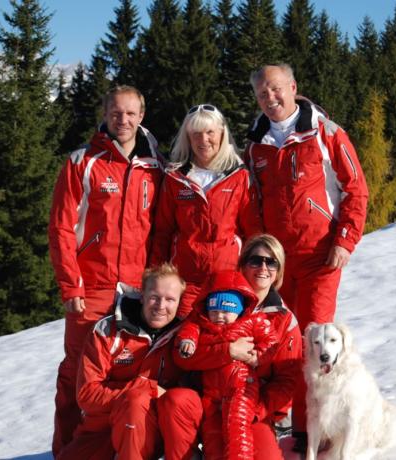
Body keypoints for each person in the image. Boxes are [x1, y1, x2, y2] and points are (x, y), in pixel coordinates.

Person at [244, 64, 369, 452]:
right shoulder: (256, 143)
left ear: (294, 88)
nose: (271, 98)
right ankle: (283, 420)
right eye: (263, 93)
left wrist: (345, 241)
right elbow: (253, 203)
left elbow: (356, 190)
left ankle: (306, 429)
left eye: (277, 89)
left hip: (319, 258)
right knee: (281, 342)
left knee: (313, 342)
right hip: (277, 266)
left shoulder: (326, 133)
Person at [48, 85, 165, 456]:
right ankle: (66, 449)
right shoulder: (83, 161)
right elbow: (61, 228)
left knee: (129, 372)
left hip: (136, 288)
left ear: (141, 115)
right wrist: (71, 286)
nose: (123, 120)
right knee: (76, 374)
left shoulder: (155, 165)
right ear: (105, 113)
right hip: (92, 287)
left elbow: (162, 227)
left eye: (130, 113)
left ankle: (116, 445)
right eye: (116, 113)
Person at [174, 233, 301, 459]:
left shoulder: (284, 320)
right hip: (207, 399)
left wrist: (256, 409)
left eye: (271, 262)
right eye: (256, 260)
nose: (263, 267)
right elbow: (182, 355)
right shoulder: (215, 302)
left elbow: (287, 380)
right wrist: (227, 352)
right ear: (242, 265)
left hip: (250, 404)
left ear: (279, 271)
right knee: (176, 404)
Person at [58, 263, 203, 460]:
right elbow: (87, 394)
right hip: (104, 429)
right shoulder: (108, 330)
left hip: (160, 430)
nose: (161, 306)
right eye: (154, 297)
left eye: (170, 299)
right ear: (142, 296)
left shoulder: (184, 337)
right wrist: (147, 388)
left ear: (179, 302)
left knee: (153, 401)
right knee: (135, 401)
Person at [150, 104, 262, 318]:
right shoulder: (175, 178)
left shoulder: (238, 176)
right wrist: (157, 276)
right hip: (185, 280)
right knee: (184, 339)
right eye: (196, 134)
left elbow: (253, 233)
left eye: (210, 132)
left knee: (222, 342)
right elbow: (163, 232)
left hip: (227, 279)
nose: (203, 140)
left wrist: (252, 276)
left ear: (221, 132)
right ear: (187, 137)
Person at [176, 270, 279, 460]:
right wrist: (188, 341)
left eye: (226, 311)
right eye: (214, 311)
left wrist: (258, 356)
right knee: (212, 435)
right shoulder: (201, 323)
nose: (219, 317)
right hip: (211, 394)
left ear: (238, 309)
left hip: (241, 388)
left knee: (237, 430)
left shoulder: (251, 322)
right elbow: (188, 329)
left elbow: (272, 341)